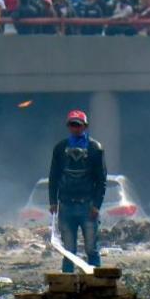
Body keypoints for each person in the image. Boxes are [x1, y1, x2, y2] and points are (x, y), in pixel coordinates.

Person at [48, 110, 106, 273]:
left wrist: (96, 205)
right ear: (68, 126)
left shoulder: (95, 148)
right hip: (66, 205)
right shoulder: (60, 149)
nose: (75, 128)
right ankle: (68, 287)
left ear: (85, 127)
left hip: (87, 206)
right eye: (72, 125)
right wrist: (53, 201)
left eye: (78, 125)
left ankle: (96, 284)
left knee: (91, 248)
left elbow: (101, 179)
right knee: (68, 250)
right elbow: (54, 176)